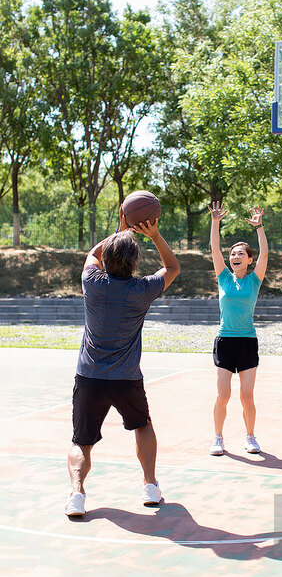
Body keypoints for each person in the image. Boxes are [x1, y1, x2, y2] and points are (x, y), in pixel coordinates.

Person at [65, 206, 180, 517]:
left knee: (81, 441)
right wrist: (154, 235)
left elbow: (93, 253)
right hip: (126, 378)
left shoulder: (92, 282)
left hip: (89, 377)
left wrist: (122, 227)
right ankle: (150, 487)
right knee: (142, 425)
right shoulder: (142, 289)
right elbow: (172, 268)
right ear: (135, 263)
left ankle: (77, 494)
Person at [208, 202, 268, 456]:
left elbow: (265, 255)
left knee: (246, 397)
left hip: (246, 342)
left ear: (249, 259)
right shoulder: (223, 276)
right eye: (233, 254)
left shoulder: (254, 279)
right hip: (225, 341)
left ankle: (250, 437)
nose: (235, 257)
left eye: (240, 254)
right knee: (223, 395)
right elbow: (214, 248)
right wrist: (215, 222)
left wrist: (259, 227)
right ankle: (218, 438)